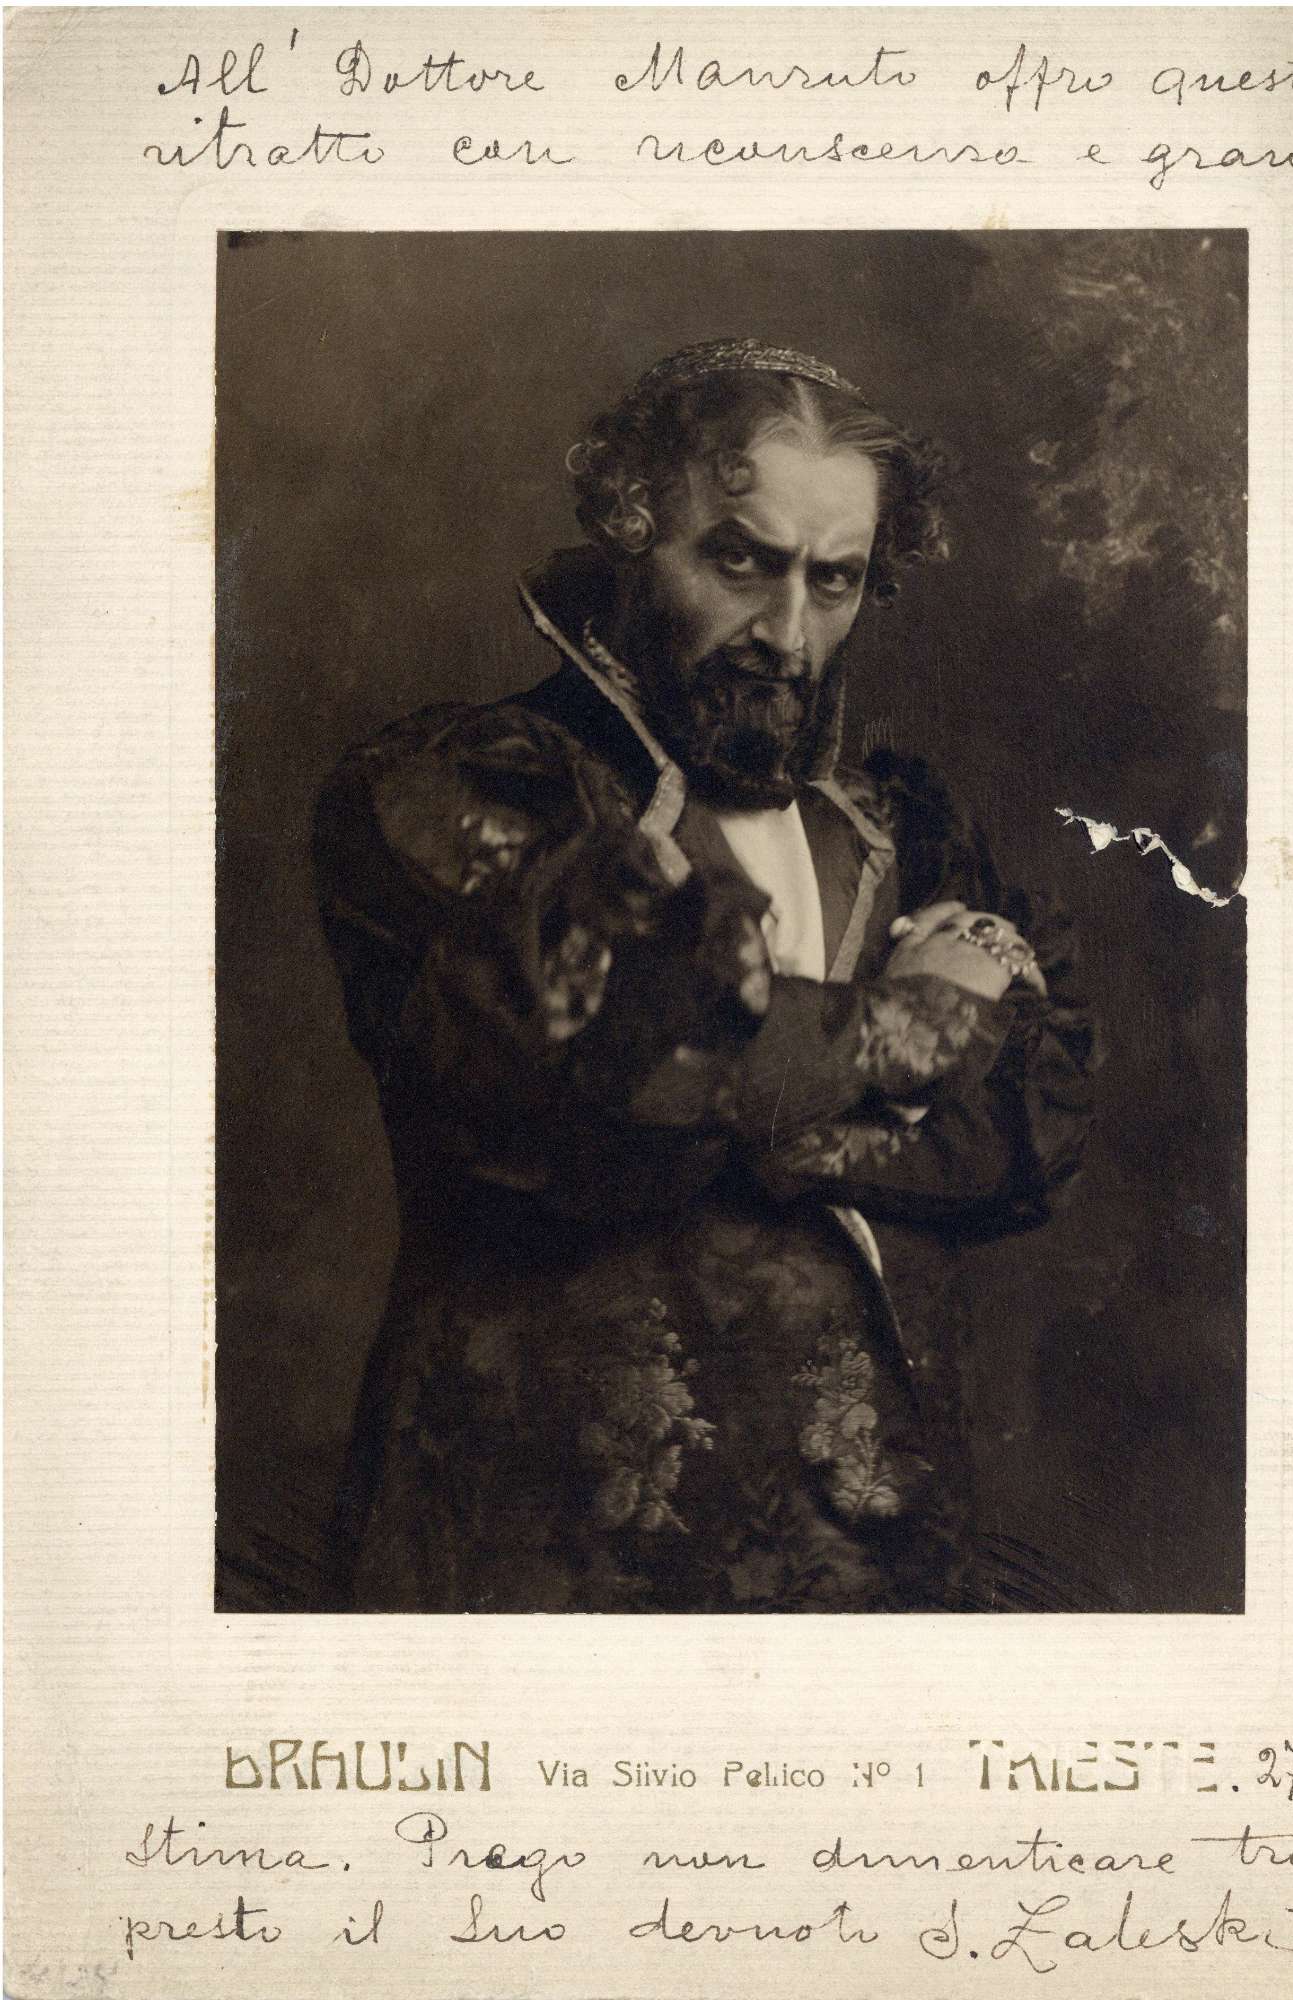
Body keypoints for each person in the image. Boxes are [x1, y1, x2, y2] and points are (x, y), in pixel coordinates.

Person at [314, 336, 1097, 1612]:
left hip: (877, 1564)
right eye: (739, 561)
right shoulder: (467, 790)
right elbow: (620, 1073)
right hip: (544, 1555)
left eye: (833, 580)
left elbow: (1025, 1139)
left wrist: (781, 1096)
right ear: (630, 531)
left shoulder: (903, 824)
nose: (785, 635)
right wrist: (923, 1017)